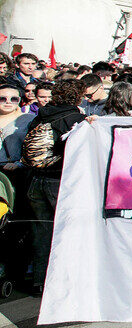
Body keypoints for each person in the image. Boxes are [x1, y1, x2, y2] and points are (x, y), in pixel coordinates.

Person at [23, 78, 86, 295]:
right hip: (58, 181)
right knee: (65, 232)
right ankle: (60, 284)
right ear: (78, 95)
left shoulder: (41, 115)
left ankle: (39, 281)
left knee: (41, 232)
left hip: (35, 180)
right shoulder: (76, 119)